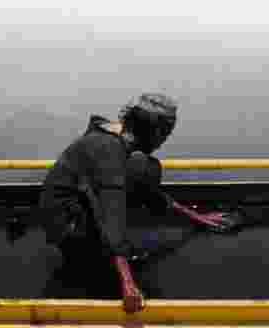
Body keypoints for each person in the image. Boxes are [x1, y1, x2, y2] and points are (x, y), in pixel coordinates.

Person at [39, 93, 236, 312]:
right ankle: (93, 257)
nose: (163, 142)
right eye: (165, 134)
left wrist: (197, 217)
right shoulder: (108, 150)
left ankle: (103, 251)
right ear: (153, 130)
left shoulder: (117, 136)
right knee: (132, 181)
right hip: (66, 225)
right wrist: (128, 284)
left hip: (79, 206)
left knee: (144, 168)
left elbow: (149, 193)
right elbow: (110, 214)